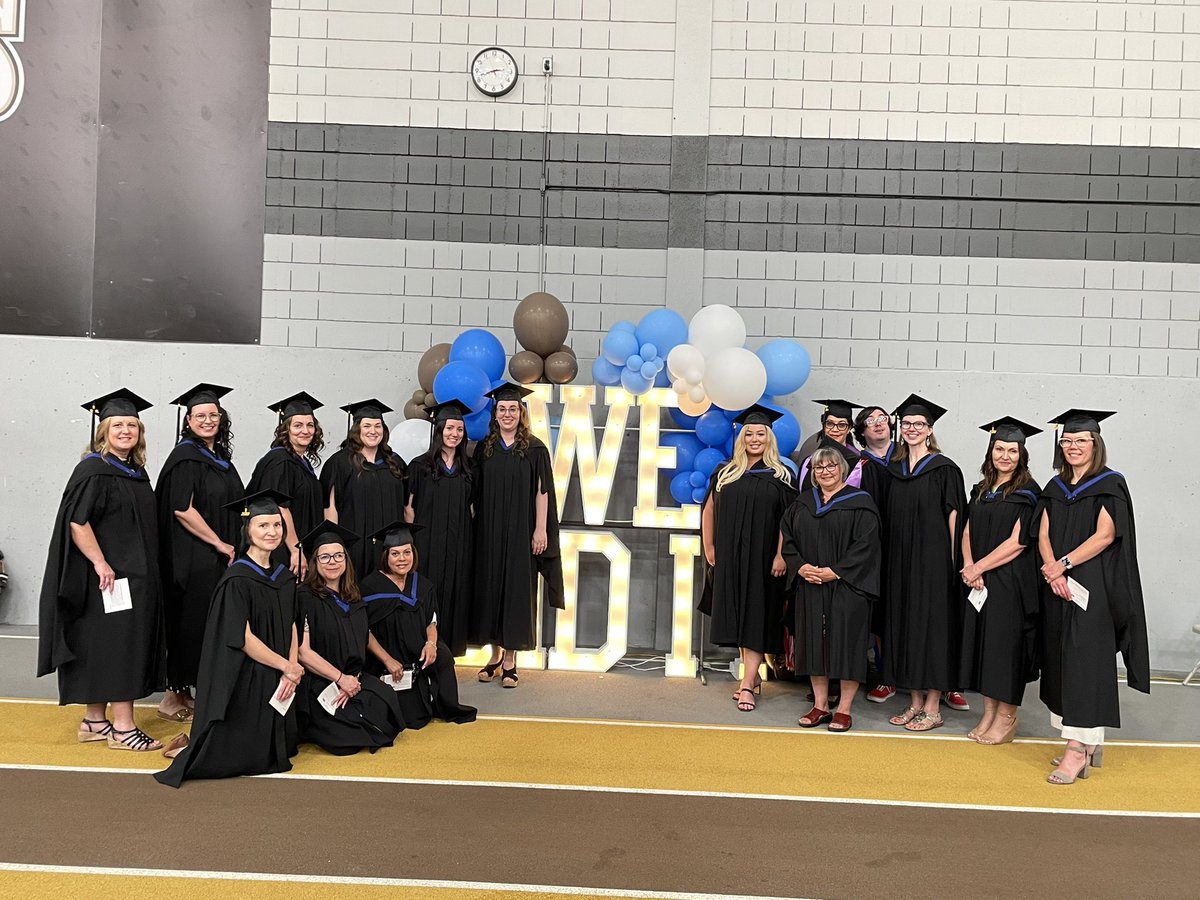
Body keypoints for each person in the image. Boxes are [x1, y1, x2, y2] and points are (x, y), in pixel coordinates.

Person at [38, 389, 165, 752]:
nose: (125, 431)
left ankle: (95, 722)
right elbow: (78, 522)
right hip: (113, 579)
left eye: (132, 425)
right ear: (103, 431)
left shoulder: (135, 471)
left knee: (108, 647)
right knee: (123, 647)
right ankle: (124, 729)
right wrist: (100, 562)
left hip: (133, 578)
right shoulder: (94, 470)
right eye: (118, 425)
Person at [156, 490, 302, 787]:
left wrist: (294, 665)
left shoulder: (284, 577)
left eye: (277, 525)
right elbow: (242, 638)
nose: (271, 532)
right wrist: (285, 667)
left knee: (278, 752)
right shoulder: (237, 579)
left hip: (280, 672)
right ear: (248, 530)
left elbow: (292, 625)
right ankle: (187, 748)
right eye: (263, 525)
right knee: (240, 757)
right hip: (248, 674)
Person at [1036, 409, 1148, 785]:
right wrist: (1051, 568)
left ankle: (1077, 750)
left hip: (1092, 584)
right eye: (1066, 440)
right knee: (1061, 659)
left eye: (1081, 440)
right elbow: (1043, 531)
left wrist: (1063, 564)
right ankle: (1082, 741)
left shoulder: (1110, 484)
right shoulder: (1055, 486)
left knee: (1085, 662)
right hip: (1057, 582)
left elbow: (1105, 536)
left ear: (1095, 444)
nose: (1072, 446)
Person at [155, 383, 244, 723]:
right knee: (189, 622)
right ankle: (170, 696)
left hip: (215, 557)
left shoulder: (219, 458)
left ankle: (185, 692)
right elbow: (181, 509)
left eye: (214, 415)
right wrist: (220, 543)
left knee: (205, 623)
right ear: (188, 420)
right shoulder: (185, 457)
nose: (208, 420)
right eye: (201, 416)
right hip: (193, 557)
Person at [700, 404, 796, 712]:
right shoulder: (726, 472)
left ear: (770, 438)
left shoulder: (781, 476)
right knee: (741, 617)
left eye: (761, 434)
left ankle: (746, 684)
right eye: (749, 433)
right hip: (730, 556)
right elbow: (709, 510)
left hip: (765, 559)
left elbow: (787, 521)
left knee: (756, 616)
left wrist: (781, 555)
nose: (755, 439)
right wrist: (709, 547)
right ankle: (752, 677)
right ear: (741, 438)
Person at [881, 394, 969, 732]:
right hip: (899, 563)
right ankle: (914, 702)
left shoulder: (944, 469)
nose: (913, 428)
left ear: (930, 430)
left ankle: (933, 705)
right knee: (904, 626)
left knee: (932, 630)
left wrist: (952, 563)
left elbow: (954, 517)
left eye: (919, 424)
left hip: (933, 563)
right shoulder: (893, 470)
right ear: (901, 430)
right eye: (907, 424)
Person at [781, 446, 881, 732]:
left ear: (842, 470)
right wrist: (800, 566)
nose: (825, 472)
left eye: (831, 466)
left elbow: (867, 544)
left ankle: (845, 708)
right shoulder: (802, 502)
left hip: (848, 584)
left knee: (847, 642)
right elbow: (787, 538)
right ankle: (820, 705)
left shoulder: (860, 502)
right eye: (819, 468)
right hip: (810, 581)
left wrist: (836, 571)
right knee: (814, 641)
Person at [469, 383, 563, 688]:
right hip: (489, 532)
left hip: (522, 531)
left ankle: (510, 659)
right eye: (502, 409)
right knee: (491, 589)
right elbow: (475, 492)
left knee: (515, 591)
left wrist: (540, 528)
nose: (507, 413)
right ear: (495, 414)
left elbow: (542, 492)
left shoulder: (535, 449)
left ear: (521, 413)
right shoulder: (484, 449)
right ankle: (494, 655)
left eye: (513, 408)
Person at [959, 418, 1043, 745]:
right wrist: (968, 565)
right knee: (984, 647)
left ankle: (1007, 717)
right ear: (990, 451)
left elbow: (1019, 541)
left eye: (1012, 450)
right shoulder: (981, 489)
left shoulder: (1028, 492)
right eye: (999, 449)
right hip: (978, 579)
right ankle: (988, 712)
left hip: (1010, 581)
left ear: (1022, 455)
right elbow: (967, 529)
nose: (1005, 455)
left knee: (1005, 651)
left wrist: (978, 566)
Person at [294, 520, 405, 755]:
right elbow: (303, 653)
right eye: (324, 557)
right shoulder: (305, 597)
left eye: (338, 556)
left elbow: (364, 636)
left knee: (386, 704)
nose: (332, 562)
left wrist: (353, 677)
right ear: (315, 562)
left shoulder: (352, 596)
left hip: (354, 676)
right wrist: (340, 679)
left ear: (346, 560)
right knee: (347, 742)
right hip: (321, 680)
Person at [360, 522, 477, 727]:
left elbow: (431, 620)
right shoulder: (369, 587)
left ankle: (446, 705)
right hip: (387, 657)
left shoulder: (421, 584)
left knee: (443, 654)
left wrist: (431, 644)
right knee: (407, 719)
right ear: (385, 556)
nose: (402, 559)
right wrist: (387, 660)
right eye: (395, 554)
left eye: (407, 552)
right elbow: (363, 631)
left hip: (418, 650)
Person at [405, 399, 475, 656]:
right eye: (449, 428)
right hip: (426, 542)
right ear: (439, 430)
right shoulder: (420, 466)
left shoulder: (469, 469)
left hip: (458, 543)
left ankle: (449, 653)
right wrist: (409, 544)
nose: (454, 434)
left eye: (459, 429)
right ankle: (423, 648)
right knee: (427, 591)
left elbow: (471, 507)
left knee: (456, 591)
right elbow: (409, 508)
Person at [321, 399, 408, 578]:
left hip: (389, 545)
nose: (373, 431)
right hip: (355, 544)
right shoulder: (339, 462)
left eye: (378, 426)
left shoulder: (395, 463)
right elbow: (330, 509)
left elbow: (406, 505)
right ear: (356, 430)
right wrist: (335, 547)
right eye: (367, 426)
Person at [247, 392, 325, 577]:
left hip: (299, 546)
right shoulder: (279, 461)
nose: (305, 431)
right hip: (285, 549)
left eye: (310, 425)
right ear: (286, 429)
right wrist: (295, 549)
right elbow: (280, 507)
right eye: (297, 425)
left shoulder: (300, 462)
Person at [855, 404, 898, 704]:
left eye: (882, 419)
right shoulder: (859, 467)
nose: (878, 424)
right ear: (862, 433)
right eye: (870, 422)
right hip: (876, 549)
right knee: (882, 613)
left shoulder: (910, 458)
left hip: (911, 547)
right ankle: (886, 676)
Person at [794, 399, 864, 490]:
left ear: (849, 428)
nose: (835, 429)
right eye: (830, 424)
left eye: (842, 425)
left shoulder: (859, 463)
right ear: (824, 425)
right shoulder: (810, 460)